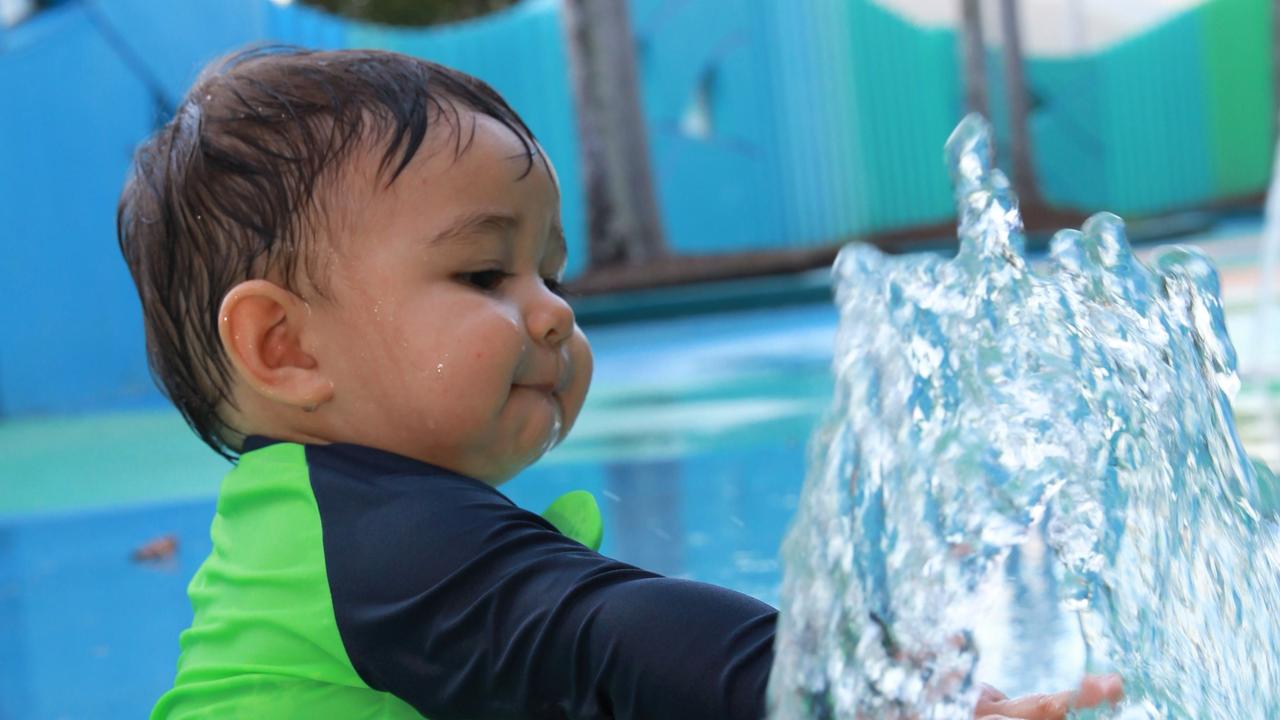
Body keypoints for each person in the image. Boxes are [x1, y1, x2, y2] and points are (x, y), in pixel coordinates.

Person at [118, 46, 1122, 719]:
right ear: (285, 348)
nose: (553, 313)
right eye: (482, 276)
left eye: (550, 274)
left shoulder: (330, 527)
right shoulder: (384, 542)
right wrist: (849, 691)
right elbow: (619, 638)